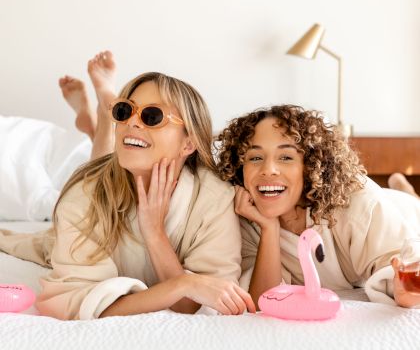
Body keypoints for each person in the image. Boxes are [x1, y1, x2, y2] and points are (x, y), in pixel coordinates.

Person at [0, 52, 255, 319]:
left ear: (188, 144)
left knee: (100, 165)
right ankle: (100, 116)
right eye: (123, 112)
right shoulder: (83, 197)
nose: (131, 122)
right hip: (88, 197)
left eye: (152, 116)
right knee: (46, 238)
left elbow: (205, 300)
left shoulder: (213, 199)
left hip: (107, 178)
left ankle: (98, 115)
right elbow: (76, 301)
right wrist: (184, 283)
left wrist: (154, 232)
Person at [215, 105, 420, 308]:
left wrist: (403, 289)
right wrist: (269, 228)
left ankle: (403, 188)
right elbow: (262, 302)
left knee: (411, 203)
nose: (268, 170)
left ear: (310, 166)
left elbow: (395, 265)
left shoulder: (357, 201)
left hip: (405, 211)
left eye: (286, 157)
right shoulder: (244, 217)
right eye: (255, 158)